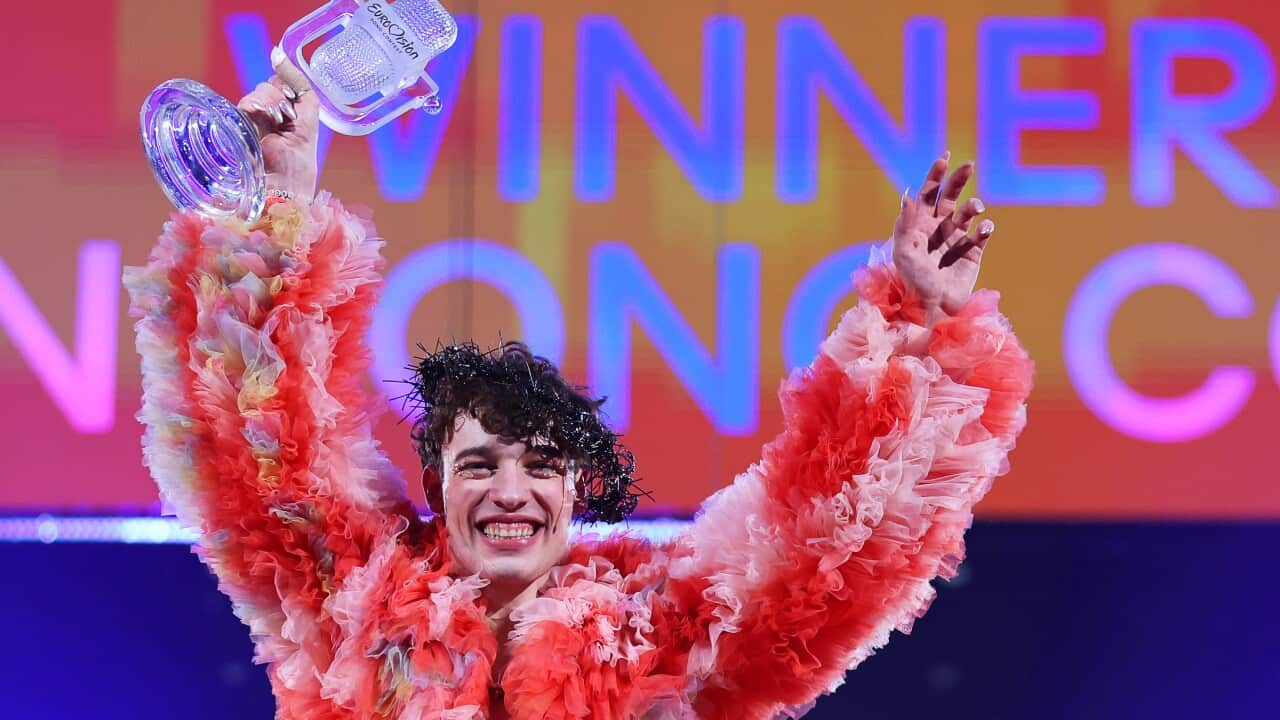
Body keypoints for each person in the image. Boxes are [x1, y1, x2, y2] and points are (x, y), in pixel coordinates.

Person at [124, 57, 1033, 720]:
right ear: (436, 487)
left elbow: (827, 540)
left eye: (540, 466)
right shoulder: (353, 599)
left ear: (575, 489)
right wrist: (275, 205)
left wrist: (915, 324)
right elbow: (259, 449)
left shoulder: (657, 633)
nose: (510, 492)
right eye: (480, 464)